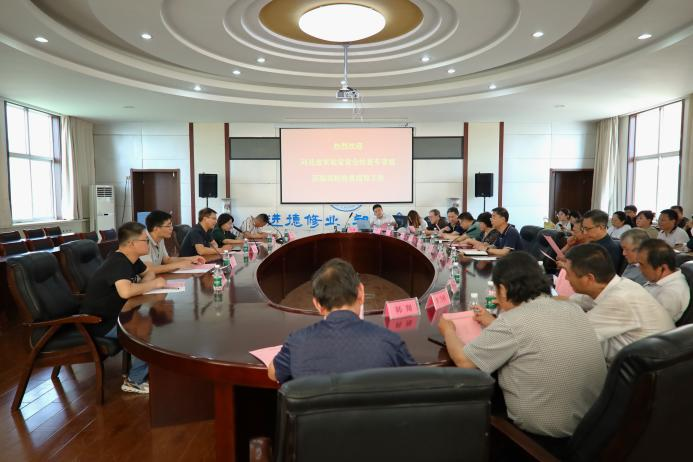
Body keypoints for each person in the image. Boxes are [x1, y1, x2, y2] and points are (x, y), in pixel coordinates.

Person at [438, 252, 606, 438]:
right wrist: (494, 322)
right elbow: (533, 332)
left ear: (503, 290)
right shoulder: (572, 308)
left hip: (541, 437)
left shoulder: (513, 321)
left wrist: (448, 329)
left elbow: (464, 361)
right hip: (591, 426)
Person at [269, 258, 416, 384]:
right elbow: (418, 382)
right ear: (361, 293)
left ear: (317, 304)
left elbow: (273, 373)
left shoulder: (297, 342)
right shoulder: (389, 341)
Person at [81, 222, 168, 394]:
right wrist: (152, 285)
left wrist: (144, 285)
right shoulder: (118, 262)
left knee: (152, 321)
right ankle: (135, 380)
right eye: (145, 240)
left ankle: (146, 370)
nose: (149, 243)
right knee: (144, 329)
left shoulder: (132, 259)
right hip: (100, 322)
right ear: (131, 244)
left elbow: (149, 273)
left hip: (119, 314)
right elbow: (126, 291)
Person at [564, 244, 674, 364]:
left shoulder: (620, 299)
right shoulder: (622, 285)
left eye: (568, 273)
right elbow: (579, 300)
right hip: (642, 361)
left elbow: (571, 338)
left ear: (589, 278)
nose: (566, 278)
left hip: (644, 370)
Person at [638, 239, 690, 322]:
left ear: (662, 268)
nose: (640, 269)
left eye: (642, 265)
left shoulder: (670, 294)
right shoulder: (657, 280)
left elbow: (652, 324)